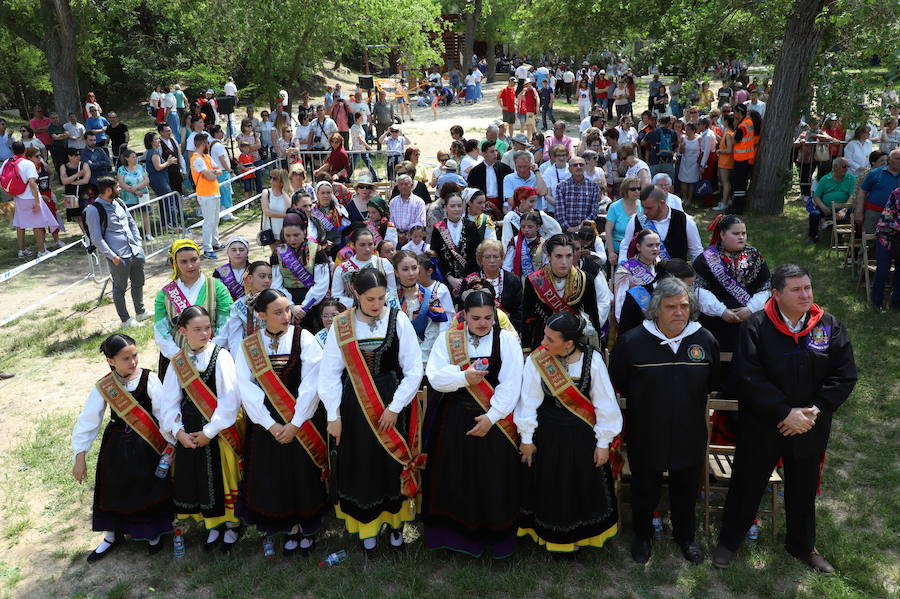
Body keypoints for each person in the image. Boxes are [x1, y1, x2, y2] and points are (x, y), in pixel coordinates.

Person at [713, 265, 857, 572]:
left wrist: (814, 410)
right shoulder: (755, 327)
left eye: (807, 287)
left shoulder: (828, 326)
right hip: (764, 424)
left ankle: (802, 546)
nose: (805, 294)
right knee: (747, 484)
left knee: (803, 487)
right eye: (796, 289)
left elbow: (843, 376)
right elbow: (749, 376)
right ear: (777, 295)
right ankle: (729, 542)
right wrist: (784, 412)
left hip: (809, 424)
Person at [609, 278, 720, 564]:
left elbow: (712, 381)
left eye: (684, 306)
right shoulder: (632, 341)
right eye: (671, 307)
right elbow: (620, 381)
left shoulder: (704, 340)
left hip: (690, 431)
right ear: (656, 309)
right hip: (647, 431)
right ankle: (642, 536)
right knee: (645, 489)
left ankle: (686, 537)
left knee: (686, 489)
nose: (679, 312)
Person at [317, 269, 424, 553]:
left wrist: (394, 407)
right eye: (370, 299)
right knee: (361, 462)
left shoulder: (397, 318)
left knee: (391, 462)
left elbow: (414, 369)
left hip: (391, 398)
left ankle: (396, 525)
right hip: (355, 404)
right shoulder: (341, 325)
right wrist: (333, 415)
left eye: (381, 298)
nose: (377, 305)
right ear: (355, 294)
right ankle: (367, 528)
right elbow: (329, 374)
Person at [423, 287, 524, 557]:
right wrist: (464, 377)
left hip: (495, 420)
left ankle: (496, 540)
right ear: (464, 315)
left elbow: (512, 384)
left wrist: (491, 418)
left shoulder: (508, 341)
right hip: (454, 419)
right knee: (455, 477)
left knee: (493, 479)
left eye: (488, 318)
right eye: (476, 317)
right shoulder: (448, 339)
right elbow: (434, 377)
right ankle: (454, 538)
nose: (482, 324)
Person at [234, 289, 329, 557]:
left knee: (303, 474)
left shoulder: (305, 338)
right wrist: (271, 424)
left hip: (302, 420)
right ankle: (288, 527)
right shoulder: (249, 346)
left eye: (288, 310)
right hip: (267, 426)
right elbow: (246, 387)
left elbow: (312, 384)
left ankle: (308, 526)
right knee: (274, 475)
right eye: (278, 312)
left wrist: (296, 423)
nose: (286, 316)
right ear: (262, 316)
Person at [517, 312, 621, 554]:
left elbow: (605, 405)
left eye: (550, 340)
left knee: (580, 486)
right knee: (550, 486)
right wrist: (527, 439)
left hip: (583, 439)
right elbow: (528, 401)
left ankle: (581, 537)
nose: (543, 343)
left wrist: (603, 443)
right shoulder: (538, 359)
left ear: (569, 343)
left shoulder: (592, 361)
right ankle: (550, 537)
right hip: (548, 437)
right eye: (544, 336)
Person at [71, 333, 173, 562]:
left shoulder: (150, 379)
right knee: (114, 487)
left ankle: (152, 532)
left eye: (135, 356)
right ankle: (112, 534)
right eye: (125, 358)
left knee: (147, 486)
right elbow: (89, 419)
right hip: (116, 446)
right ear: (111, 361)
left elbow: (163, 414)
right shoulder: (105, 386)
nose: (133, 362)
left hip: (147, 445)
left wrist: (170, 443)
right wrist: (79, 456)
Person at [159, 306, 243, 552]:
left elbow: (230, 399)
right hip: (190, 431)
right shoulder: (177, 362)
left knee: (223, 477)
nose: (205, 333)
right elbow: (169, 401)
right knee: (198, 477)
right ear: (183, 331)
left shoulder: (222, 356)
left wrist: (210, 431)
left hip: (218, 431)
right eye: (197, 329)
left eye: (208, 327)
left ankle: (231, 525)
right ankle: (212, 524)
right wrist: (178, 431)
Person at [153, 239, 233, 376]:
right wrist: (177, 355)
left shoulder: (216, 287)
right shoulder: (165, 294)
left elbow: (226, 321)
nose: (190, 265)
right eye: (183, 262)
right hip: (177, 358)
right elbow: (160, 328)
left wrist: (211, 353)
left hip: (212, 356)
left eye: (194, 259)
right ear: (175, 264)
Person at [521, 234, 611, 352]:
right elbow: (527, 318)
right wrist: (526, 350)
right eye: (558, 256)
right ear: (549, 256)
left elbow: (593, 317)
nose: (564, 262)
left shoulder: (585, 280)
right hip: (543, 345)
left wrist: (595, 349)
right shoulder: (534, 281)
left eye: (568, 256)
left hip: (575, 344)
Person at [85, 176, 149, 327]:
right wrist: (113, 257)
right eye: (117, 187)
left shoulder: (119, 202)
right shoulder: (93, 210)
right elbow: (96, 238)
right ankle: (125, 320)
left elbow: (131, 223)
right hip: (118, 256)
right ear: (108, 190)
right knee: (119, 288)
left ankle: (140, 312)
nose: (119, 189)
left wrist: (138, 243)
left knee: (138, 283)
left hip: (134, 251)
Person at [393, 250, 452, 364]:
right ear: (396, 272)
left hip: (422, 361)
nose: (411, 273)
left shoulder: (431, 297)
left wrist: (419, 362)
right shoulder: (388, 298)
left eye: (414, 268)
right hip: (395, 360)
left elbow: (432, 335)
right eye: (405, 269)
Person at [270, 211, 330, 321]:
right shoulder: (277, 253)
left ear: (305, 231)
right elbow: (276, 284)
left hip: (313, 301)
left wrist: (305, 306)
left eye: (296, 235)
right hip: (286, 301)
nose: (292, 240)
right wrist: (291, 306)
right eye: (287, 235)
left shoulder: (317, 250)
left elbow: (322, 283)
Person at [619, 186, 704, 263]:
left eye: (649, 208)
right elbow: (625, 246)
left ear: (662, 203)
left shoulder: (685, 220)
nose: (645, 212)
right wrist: (622, 264)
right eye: (643, 207)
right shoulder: (636, 220)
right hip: (644, 277)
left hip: (676, 278)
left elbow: (696, 252)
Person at [618, 259, 695, 334]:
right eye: (687, 286)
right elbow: (625, 333)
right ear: (671, 281)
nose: (689, 290)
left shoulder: (684, 298)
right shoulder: (636, 295)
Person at [7, 142, 57, 258]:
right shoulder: (27, 163)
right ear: (24, 151)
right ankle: (42, 251)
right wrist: (37, 201)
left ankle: (22, 250)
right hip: (30, 197)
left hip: (18, 197)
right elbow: (32, 183)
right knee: (38, 224)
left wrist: (12, 194)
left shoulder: (8, 162)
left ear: (13, 151)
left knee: (19, 224)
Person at [331, 226, 398, 310]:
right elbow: (336, 296)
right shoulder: (342, 268)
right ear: (354, 245)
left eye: (370, 244)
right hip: (353, 313)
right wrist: (357, 302)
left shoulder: (384, 263)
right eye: (362, 245)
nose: (367, 249)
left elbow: (392, 292)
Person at [430, 194, 481, 296]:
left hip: (469, 279)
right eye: (452, 206)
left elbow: (476, 254)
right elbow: (436, 256)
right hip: (446, 281)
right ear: (445, 208)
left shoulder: (470, 226)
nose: (456, 209)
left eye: (459, 205)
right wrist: (449, 278)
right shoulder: (438, 229)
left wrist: (463, 279)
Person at [468, 239, 522, 333]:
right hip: (478, 329)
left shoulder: (513, 280)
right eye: (487, 257)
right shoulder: (471, 281)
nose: (492, 260)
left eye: (496, 257)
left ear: (502, 258)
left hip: (507, 330)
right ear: (480, 259)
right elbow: (465, 310)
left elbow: (519, 310)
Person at [188, 134, 223, 258]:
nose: (208, 145)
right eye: (207, 142)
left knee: (215, 220)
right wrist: (213, 172)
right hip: (205, 194)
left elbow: (218, 170)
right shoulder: (196, 159)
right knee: (209, 222)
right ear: (202, 143)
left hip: (214, 192)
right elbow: (210, 175)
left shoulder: (206, 156)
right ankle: (208, 249)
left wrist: (212, 172)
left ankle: (215, 243)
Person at [614, 229, 661, 321]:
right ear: (638, 247)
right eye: (650, 245)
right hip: (636, 321)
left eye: (658, 245)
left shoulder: (663, 266)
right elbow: (620, 305)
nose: (655, 249)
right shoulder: (625, 271)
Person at [807, 157, 855, 244]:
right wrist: (824, 207)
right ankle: (813, 237)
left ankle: (837, 240)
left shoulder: (851, 178)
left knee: (843, 217)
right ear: (835, 167)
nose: (847, 169)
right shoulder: (825, 179)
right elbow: (816, 197)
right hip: (826, 207)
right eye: (844, 166)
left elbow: (852, 196)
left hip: (843, 207)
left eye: (848, 166)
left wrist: (844, 209)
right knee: (814, 214)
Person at [857, 148, 900, 234]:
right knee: (869, 240)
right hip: (874, 212)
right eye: (897, 159)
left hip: (896, 216)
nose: (899, 161)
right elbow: (862, 191)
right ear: (889, 159)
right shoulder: (875, 173)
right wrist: (859, 211)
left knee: (894, 243)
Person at [604, 177, 644, 266]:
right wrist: (611, 252)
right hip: (617, 246)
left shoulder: (643, 205)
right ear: (625, 191)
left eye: (639, 188)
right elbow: (608, 230)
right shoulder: (614, 207)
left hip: (638, 247)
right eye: (633, 189)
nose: (637, 191)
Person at [872, 188, 900, 310]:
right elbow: (888, 219)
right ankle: (877, 300)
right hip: (886, 237)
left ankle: (896, 301)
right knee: (883, 270)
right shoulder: (897, 193)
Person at [555, 156, 600, 232]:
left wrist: (581, 227)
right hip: (567, 231)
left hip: (586, 231)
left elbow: (594, 211)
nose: (578, 167)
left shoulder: (593, 186)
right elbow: (559, 212)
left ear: (585, 167)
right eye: (575, 165)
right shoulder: (561, 187)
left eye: (581, 165)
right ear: (569, 169)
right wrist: (569, 228)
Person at [466, 141, 511, 216]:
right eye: (492, 151)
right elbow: (472, 190)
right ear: (484, 154)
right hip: (482, 204)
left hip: (501, 203)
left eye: (496, 151)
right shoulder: (475, 171)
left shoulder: (505, 168)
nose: (495, 154)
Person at [116, 149, 152, 240]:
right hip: (128, 197)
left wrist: (136, 188)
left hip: (142, 194)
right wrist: (135, 191)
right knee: (132, 216)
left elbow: (146, 180)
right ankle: (135, 235)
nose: (135, 158)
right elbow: (122, 183)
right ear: (127, 158)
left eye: (136, 156)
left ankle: (148, 233)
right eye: (133, 157)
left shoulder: (140, 167)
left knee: (145, 214)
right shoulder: (121, 169)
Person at [730, 103, 756, 214]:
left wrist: (734, 129)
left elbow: (734, 141)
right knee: (741, 183)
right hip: (747, 158)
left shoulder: (742, 126)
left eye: (735, 112)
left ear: (739, 113)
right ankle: (739, 206)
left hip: (741, 159)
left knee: (739, 185)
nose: (733, 114)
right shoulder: (749, 122)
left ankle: (737, 208)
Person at [212, 237, 252, 302]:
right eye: (233, 250)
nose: (238, 253)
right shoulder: (218, 272)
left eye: (241, 250)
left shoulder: (255, 269)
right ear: (227, 252)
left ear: (247, 252)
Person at [261, 168, 292, 245]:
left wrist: (284, 191)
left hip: (286, 230)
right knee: (275, 255)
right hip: (271, 231)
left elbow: (290, 208)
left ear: (282, 182)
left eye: (274, 179)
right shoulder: (266, 192)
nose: (271, 180)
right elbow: (266, 211)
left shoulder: (288, 194)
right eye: (270, 177)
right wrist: (286, 216)